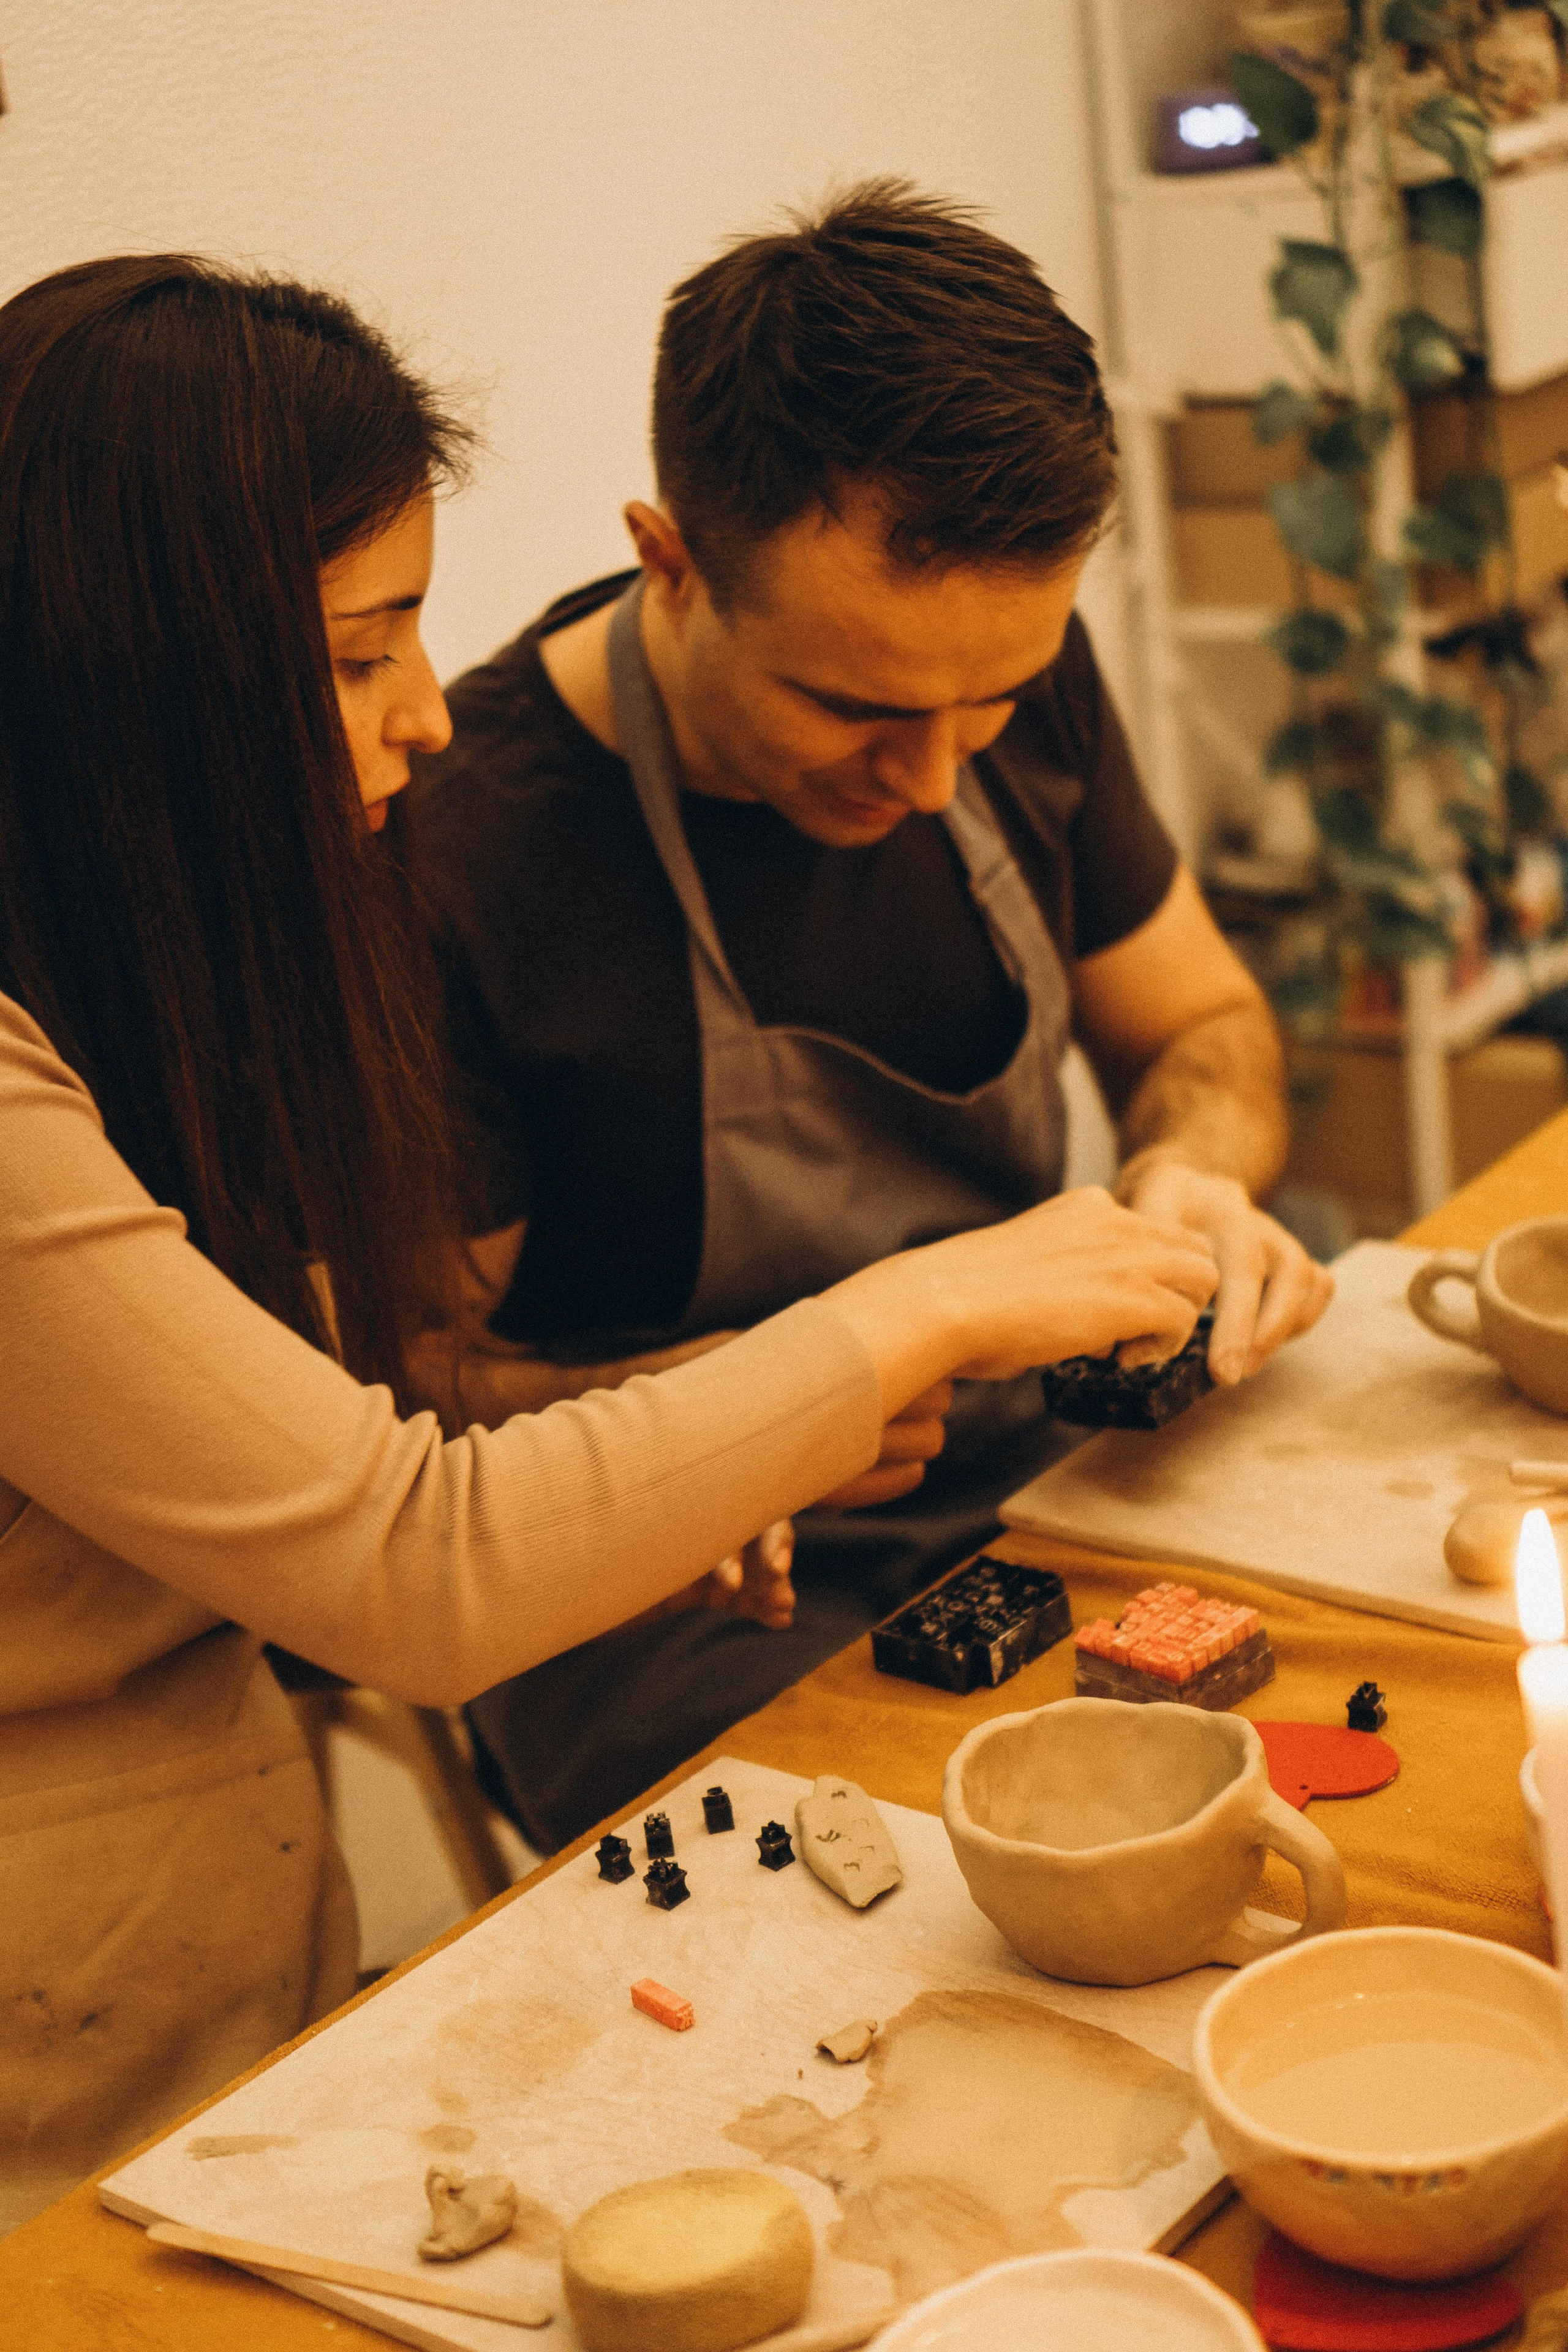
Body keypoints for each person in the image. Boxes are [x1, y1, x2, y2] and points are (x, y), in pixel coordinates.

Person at [0, 252, 1221, 2226]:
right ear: (121, 673)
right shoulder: (444, 867)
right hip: (67, 2086)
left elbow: (322, 1454)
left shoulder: (152, 969)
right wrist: (905, 1315)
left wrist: (1181, 1191)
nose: (416, 721)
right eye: (356, 649)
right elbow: (400, 1544)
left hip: (236, 1990)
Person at [401, 181, 1335, 1855]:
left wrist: (1196, 1171)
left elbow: (1204, 1024)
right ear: (670, 562)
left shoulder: (989, 683)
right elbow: (401, 1408)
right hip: (691, 1606)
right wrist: (740, 1410)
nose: (932, 776)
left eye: (993, 699)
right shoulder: (463, 845)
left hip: (1057, 1489)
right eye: (854, 708)